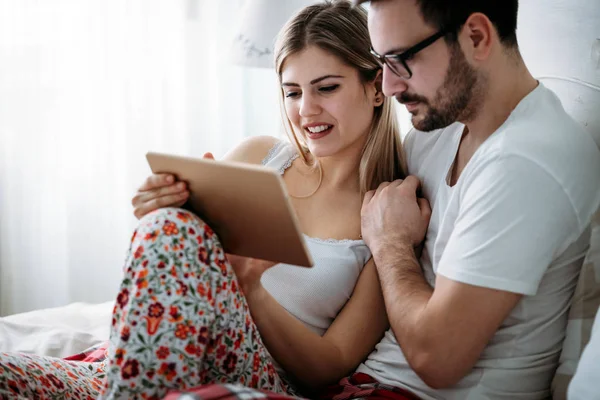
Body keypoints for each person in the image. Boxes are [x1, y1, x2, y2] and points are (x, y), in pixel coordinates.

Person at [0, 1, 405, 399]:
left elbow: (328, 365)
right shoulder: (259, 157)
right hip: (159, 356)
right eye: (292, 92)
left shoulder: (385, 212)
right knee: (7, 375)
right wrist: (164, 205)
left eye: (327, 88)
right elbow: (177, 262)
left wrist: (253, 288)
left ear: (376, 88)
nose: (305, 110)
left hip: (259, 375)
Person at [334, 0, 600, 399]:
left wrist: (390, 243)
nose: (388, 87)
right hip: (367, 385)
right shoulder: (435, 134)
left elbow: (436, 358)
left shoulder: (528, 159)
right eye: (380, 61)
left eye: (401, 60)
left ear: (476, 37)